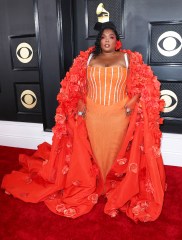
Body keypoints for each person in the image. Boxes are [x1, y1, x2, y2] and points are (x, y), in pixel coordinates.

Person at [1, 22, 166, 222]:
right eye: (103, 37)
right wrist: (79, 102)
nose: (107, 40)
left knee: (116, 150)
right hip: (92, 115)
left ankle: (112, 183)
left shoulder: (128, 58)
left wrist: (133, 101)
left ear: (117, 41)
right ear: (99, 40)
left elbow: (146, 85)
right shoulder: (87, 58)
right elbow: (76, 86)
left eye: (111, 37)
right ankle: (96, 183)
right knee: (93, 150)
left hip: (120, 115)